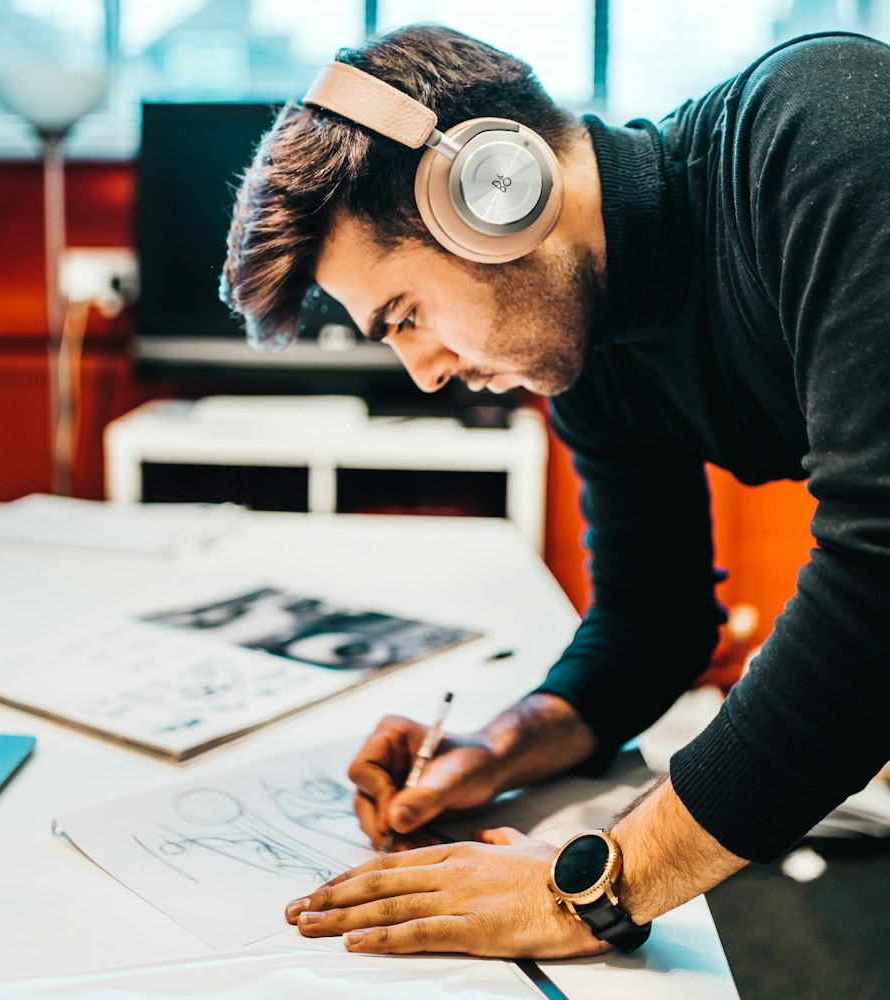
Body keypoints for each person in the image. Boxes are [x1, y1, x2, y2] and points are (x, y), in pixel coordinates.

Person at [220, 24, 890, 959]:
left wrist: (587, 887)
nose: (421, 372)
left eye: (404, 314)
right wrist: (493, 750)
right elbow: (650, 630)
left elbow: (880, 578)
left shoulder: (824, 126)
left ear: (491, 191)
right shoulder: (588, 349)